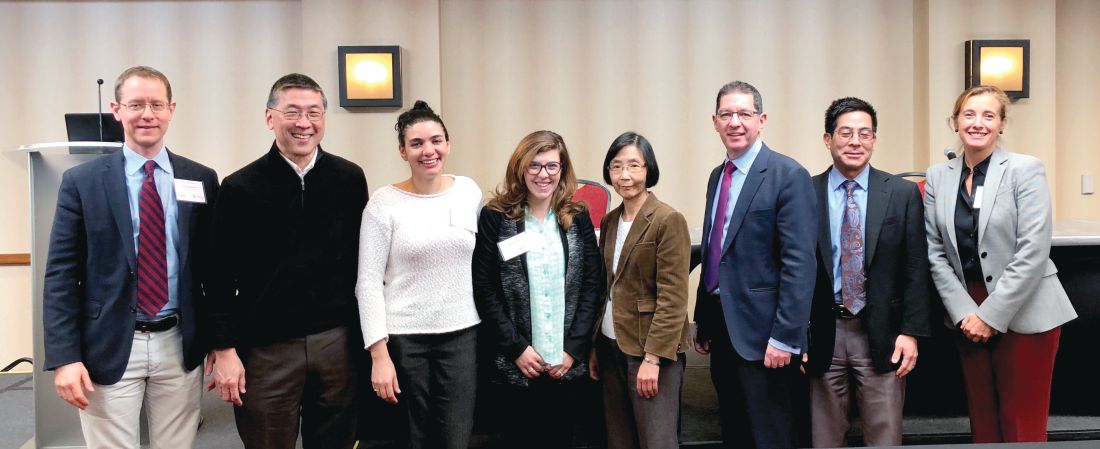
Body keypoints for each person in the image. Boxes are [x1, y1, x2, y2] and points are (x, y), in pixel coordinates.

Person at [42, 65, 219, 448]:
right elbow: (60, 274)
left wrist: (221, 341)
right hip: (109, 342)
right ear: (116, 109)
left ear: (172, 109)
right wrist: (64, 356)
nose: (147, 114)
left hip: (179, 340)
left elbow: (212, 269)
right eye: (136, 104)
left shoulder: (201, 178)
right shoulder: (82, 182)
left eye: (157, 104)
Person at [203, 73, 368, 448]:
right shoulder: (240, 187)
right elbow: (217, 275)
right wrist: (225, 348)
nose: (304, 123)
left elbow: (363, 263)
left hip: (337, 343)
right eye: (292, 112)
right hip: (266, 348)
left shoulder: (348, 178)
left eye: (314, 112)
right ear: (269, 117)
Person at [924, 85, 1077, 443]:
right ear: (955, 122)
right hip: (966, 310)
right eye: (969, 115)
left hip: (1024, 307)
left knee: (1021, 419)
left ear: (1002, 124)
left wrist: (990, 315)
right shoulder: (938, 176)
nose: (978, 123)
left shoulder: (1025, 170)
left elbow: (1033, 250)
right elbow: (935, 251)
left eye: (988, 115)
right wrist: (966, 313)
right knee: (982, 416)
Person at [692, 80, 817, 449]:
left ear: (761, 120)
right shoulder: (719, 176)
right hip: (723, 329)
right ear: (714, 122)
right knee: (735, 432)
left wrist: (785, 337)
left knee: (772, 436)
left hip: (767, 339)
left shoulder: (787, 175)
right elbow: (717, 252)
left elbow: (800, 264)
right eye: (726, 114)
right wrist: (703, 320)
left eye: (744, 114)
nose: (735, 122)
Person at [802, 97, 931, 447]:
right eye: (845, 133)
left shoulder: (902, 194)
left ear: (874, 139)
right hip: (822, 331)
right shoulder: (804, 192)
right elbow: (793, 270)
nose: (855, 141)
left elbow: (916, 267)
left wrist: (910, 332)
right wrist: (796, 334)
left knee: (885, 435)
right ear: (828, 139)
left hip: (882, 334)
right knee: (824, 437)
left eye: (864, 133)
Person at [356, 100, 483, 449]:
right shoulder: (384, 203)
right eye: (417, 143)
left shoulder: (468, 191)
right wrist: (378, 355)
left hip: (462, 334)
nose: (429, 150)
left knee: (456, 436)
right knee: (414, 437)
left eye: (436, 140)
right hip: (405, 338)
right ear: (402, 151)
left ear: (448, 144)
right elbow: (367, 283)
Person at [471, 130, 603, 448]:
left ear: (562, 170)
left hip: (566, 362)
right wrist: (517, 349)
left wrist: (573, 348)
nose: (543, 175)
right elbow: (484, 287)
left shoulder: (578, 216)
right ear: (521, 168)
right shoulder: (496, 217)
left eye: (552, 166)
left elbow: (592, 285)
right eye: (534, 165)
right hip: (517, 363)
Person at [588, 132, 691, 449]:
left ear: (649, 170)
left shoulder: (667, 219)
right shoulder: (610, 221)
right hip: (610, 347)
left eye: (634, 165)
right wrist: (594, 346)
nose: (625, 175)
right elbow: (606, 288)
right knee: (619, 440)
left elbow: (673, 298)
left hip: (650, 351)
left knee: (656, 441)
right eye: (616, 166)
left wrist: (654, 358)